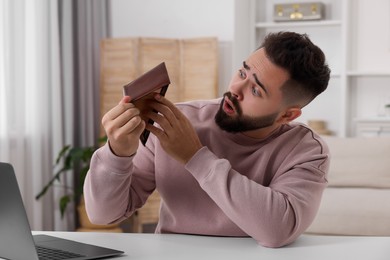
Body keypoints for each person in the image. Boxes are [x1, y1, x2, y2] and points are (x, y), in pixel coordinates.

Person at [84, 31, 331, 248]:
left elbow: (277, 230)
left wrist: (194, 157)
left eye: (255, 90)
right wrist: (117, 153)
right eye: (242, 72)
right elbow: (103, 215)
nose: (235, 89)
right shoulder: (176, 122)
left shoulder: (306, 150)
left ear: (287, 115)